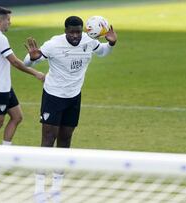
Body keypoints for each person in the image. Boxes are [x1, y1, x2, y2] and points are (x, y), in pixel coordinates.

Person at [23, 16, 117, 203]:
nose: (75, 36)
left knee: (65, 140)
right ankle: (39, 190)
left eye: (78, 32)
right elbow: (28, 61)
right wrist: (32, 59)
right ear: (65, 31)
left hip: (74, 97)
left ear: (82, 30)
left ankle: (56, 190)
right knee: (48, 140)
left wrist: (112, 43)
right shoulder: (53, 45)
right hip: (53, 97)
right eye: (71, 32)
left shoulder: (89, 41)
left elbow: (103, 51)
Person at [0, 6, 45, 145]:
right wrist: (36, 73)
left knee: (17, 117)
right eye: (8, 20)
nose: (10, 22)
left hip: (4, 87)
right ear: (1, 20)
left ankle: (6, 150)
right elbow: (15, 62)